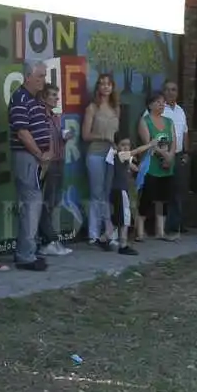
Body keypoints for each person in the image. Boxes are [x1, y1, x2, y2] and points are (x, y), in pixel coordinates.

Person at [8, 62, 52, 271]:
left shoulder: (35, 100)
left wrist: (47, 153)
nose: (43, 80)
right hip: (27, 157)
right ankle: (25, 256)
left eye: (44, 75)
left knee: (33, 204)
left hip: (36, 158)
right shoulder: (20, 98)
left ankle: (28, 251)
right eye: (40, 76)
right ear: (28, 76)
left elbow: (43, 128)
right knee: (30, 205)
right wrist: (39, 155)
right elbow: (22, 132)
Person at [82, 74, 121, 246]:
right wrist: (103, 137)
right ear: (98, 87)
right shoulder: (92, 108)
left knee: (107, 193)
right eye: (102, 84)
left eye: (109, 84)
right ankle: (93, 233)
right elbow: (85, 135)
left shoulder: (116, 108)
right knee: (96, 193)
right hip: (96, 153)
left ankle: (108, 230)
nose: (106, 87)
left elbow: (118, 134)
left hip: (111, 154)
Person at [36, 83, 74, 257]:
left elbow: (57, 138)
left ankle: (49, 240)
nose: (56, 98)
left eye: (56, 95)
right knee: (46, 202)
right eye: (52, 95)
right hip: (47, 163)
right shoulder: (39, 116)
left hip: (59, 161)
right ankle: (48, 241)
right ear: (43, 97)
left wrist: (65, 137)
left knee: (54, 201)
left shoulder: (55, 117)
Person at [137, 92, 178, 242]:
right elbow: (149, 143)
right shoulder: (145, 121)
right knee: (147, 198)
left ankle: (160, 231)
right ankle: (140, 231)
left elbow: (174, 141)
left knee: (163, 199)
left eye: (163, 102)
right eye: (158, 102)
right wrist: (164, 154)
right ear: (150, 104)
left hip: (167, 166)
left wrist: (170, 156)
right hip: (151, 165)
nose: (162, 105)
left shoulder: (169, 121)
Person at [162, 81, 190, 234]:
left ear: (177, 93)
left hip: (179, 154)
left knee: (179, 190)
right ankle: (162, 226)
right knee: (164, 192)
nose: (170, 92)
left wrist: (186, 152)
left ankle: (177, 224)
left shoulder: (180, 111)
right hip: (162, 155)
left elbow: (185, 133)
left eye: (173, 90)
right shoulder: (159, 109)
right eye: (167, 90)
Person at [108, 134, 142, 256]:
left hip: (119, 190)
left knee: (118, 218)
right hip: (120, 190)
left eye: (128, 145)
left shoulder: (121, 158)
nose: (126, 147)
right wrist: (150, 145)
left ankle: (104, 239)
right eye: (123, 145)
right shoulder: (119, 155)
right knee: (124, 219)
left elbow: (135, 168)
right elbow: (135, 152)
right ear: (116, 146)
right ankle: (123, 245)